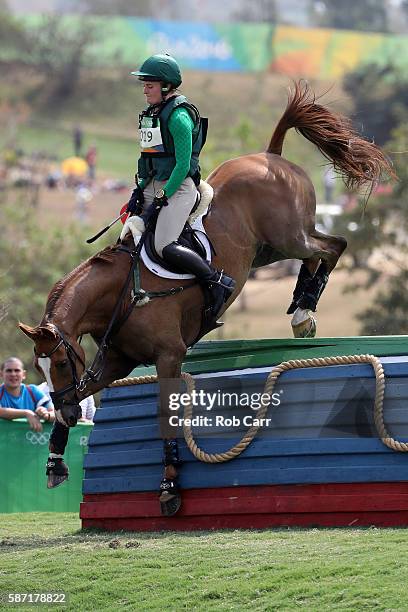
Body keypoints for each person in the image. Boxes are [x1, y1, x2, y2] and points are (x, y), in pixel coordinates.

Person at [126, 53, 235, 319]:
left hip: (180, 186)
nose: (144, 89)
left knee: (163, 244)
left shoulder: (179, 117)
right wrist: (138, 190)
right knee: (128, 236)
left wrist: (164, 195)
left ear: (165, 86)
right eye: (144, 85)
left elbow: (183, 165)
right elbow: (148, 158)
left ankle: (216, 282)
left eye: (149, 85)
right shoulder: (152, 114)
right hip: (154, 185)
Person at [0, 357, 55, 432]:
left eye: (17, 370)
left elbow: (55, 414)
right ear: (1, 374)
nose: (13, 374)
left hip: (29, 442)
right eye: (9, 371)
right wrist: (26, 413)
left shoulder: (33, 391)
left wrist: (46, 415)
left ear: (24, 374)